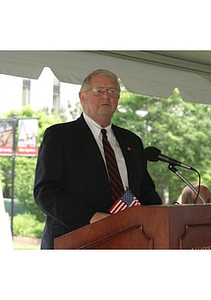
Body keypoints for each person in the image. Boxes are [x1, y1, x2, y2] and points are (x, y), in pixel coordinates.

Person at [33, 69, 162, 249]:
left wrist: (157, 218)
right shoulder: (60, 136)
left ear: (118, 99)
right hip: (75, 240)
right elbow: (45, 192)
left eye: (112, 92)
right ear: (82, 97)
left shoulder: (132, 141)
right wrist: (91, 217)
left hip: (129, 240)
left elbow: (145, 190)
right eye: (98, 91)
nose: (106, 97)